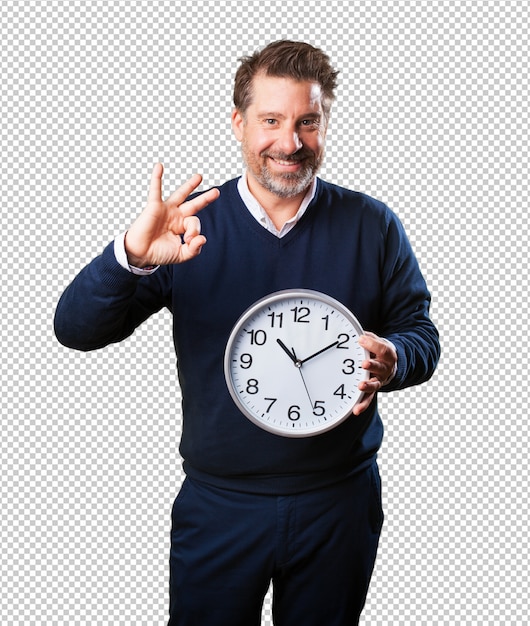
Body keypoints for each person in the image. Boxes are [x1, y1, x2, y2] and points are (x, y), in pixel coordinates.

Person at [54, 40, 440, 626]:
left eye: (308, 122)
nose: (290, 143)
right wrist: (131, 256)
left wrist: (395, 358)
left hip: (339, 503)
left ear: (324, 123)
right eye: (271, 121)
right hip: (220, 505)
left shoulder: (373, 225)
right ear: (238, 122)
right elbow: (75, 330)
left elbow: (421, 334)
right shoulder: (188, 231)